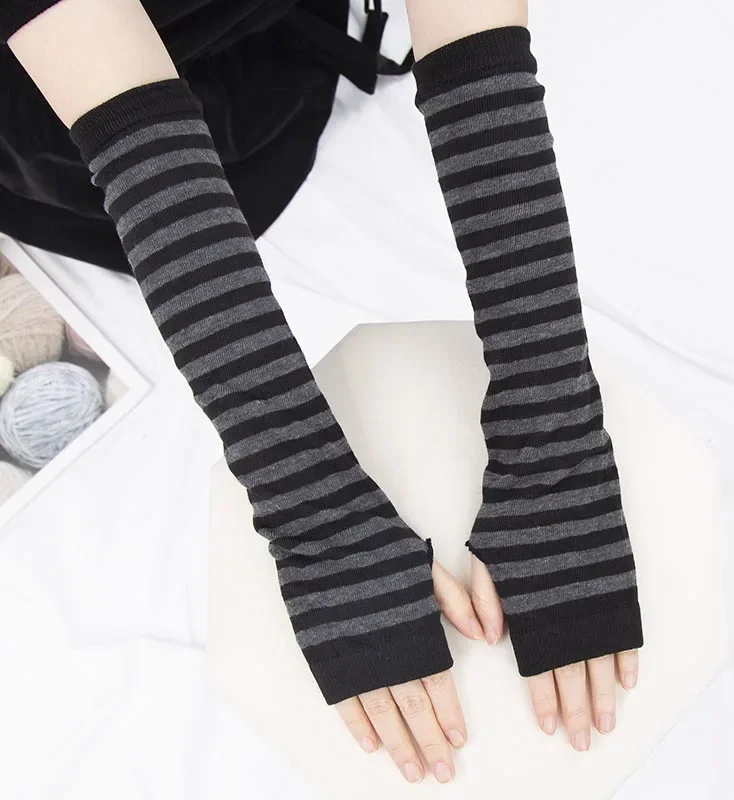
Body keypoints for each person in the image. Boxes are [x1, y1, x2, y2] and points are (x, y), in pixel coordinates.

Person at [2, 0, 643, 783]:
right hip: (74, 136)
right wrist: (321, 520)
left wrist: (555, 438)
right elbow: (135, 141)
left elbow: (481, 55)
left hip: (278, 67)